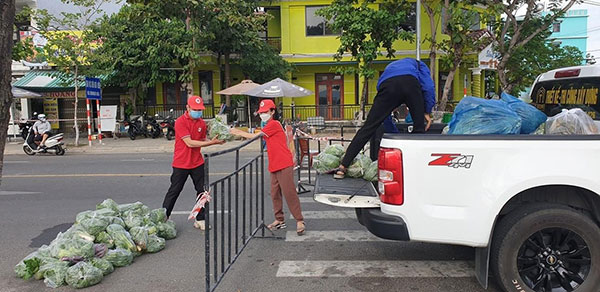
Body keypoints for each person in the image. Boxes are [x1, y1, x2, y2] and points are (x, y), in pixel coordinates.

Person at [334, 57, 436, 179]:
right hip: (410, 83)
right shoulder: (419, 64)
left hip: (388, 85)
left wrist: (394, 133)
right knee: (419, 128)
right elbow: (428, 86)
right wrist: (426, 111)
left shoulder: (389, 69)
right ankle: (418, 169)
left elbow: (384, 117)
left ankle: (343, 166)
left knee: (369, 127)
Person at [229, 99, 306, 236]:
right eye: (261, 112)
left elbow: (253, 136)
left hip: (284, 163)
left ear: (272, 111)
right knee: (275, 193)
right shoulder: (268, 125)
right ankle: (279, 219)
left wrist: (236, 132)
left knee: (289, 192)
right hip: (274, 164)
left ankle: (299, 220)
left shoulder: (274, 124)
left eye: (265, 112)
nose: (262, 114)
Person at [162, 95, 225, 231]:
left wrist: (217, 137)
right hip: (181, 163)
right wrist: (211, 142)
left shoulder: (201, 123)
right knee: (174, 190)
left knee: (202, 192)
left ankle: (200, 218)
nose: (198, 111)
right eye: (195, 109)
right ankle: (164, 217)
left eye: (200, 109)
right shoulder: (180, 122)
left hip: (197, 163)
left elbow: (202, 140)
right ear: (188, 108)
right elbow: (189, 142)